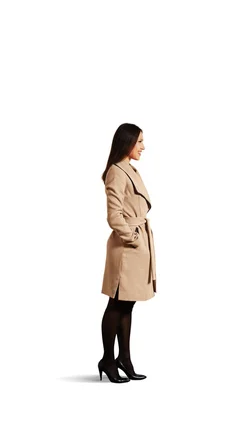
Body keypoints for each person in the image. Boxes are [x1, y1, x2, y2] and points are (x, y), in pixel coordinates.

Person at [98, 123, 157, 383]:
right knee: (117, 304)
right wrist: (132, 237)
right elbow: (114, 215)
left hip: (136, 245)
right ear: (127, 142)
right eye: (140, 141)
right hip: (126, 248)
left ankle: (125, 358)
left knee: (127, 305)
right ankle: (108, 359)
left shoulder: (129, 169)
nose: (143, 146)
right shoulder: (117, 172)